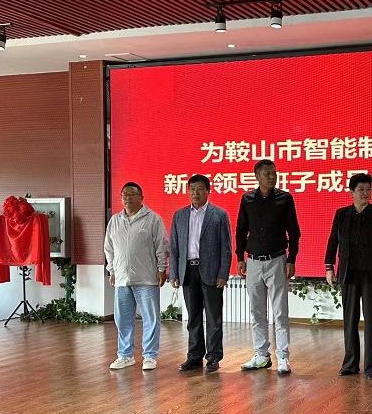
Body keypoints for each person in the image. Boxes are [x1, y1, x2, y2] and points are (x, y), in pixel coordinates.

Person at [325, 173, 372, 380]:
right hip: (349, 272)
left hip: (371, 273)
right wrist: (329, 267)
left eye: (368, 189)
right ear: (352, 193)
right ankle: (350, 364)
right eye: (361, 189)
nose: (366, 193)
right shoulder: (342, 214)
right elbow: (333, 242)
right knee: (350, 319)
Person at [236, 159, 301, 375]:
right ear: (257, 177)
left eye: (274, 173)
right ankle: (261, 355)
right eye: (267, 174)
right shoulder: (247, 199)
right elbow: (241, 230)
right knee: (256, 311)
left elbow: (294, 232)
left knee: (280, 311)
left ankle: (283, 356)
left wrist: (291, 259)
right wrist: (240, 257)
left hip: (277, 260)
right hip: (253, 261)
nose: (272, 177)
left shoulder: (285, 198)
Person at [169, 175, 233, 373]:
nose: (195, 193)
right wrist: (174, 273)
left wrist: (223, 273)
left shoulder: (219, 214)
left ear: (208, 191)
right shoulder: (179, 215)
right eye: (192, 189)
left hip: (211, 272)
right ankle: (194, 357)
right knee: (193, 317)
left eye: (199, 189)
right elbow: (174, 247)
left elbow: (226, 248)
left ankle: (213, 357)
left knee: (214, 317)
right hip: (188, 271)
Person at [104, 182, 169, 371]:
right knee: (122, 319)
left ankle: (150, 356)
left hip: (146, 277)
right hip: (122, 278)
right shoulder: (115, 220)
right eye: (124, 195)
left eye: (132, 194)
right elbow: (109, 248)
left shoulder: (152, 219)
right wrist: (112, 270)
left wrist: (161, 269)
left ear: (141, 197)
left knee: (151, 318)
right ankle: (125, 355)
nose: (128, 198)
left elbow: (161, 246)